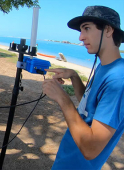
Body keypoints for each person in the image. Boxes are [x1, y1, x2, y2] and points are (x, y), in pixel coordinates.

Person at [42, 6, 124, 169]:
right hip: (68, 159)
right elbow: (89, 107)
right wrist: (74, 76)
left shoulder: (118, 79)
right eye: (81, 30)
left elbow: (91, 149)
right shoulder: (104, 66)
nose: (81, 37)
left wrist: (62, 98)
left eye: (86, 28)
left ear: (108, 30)